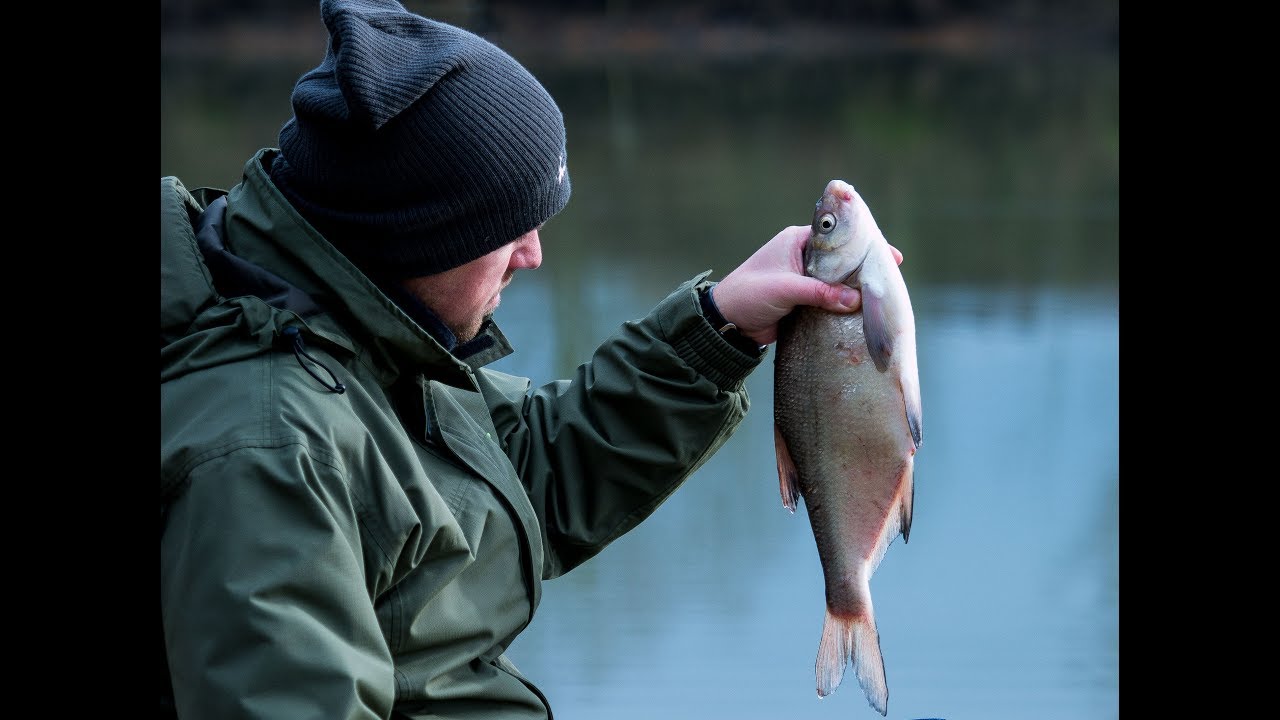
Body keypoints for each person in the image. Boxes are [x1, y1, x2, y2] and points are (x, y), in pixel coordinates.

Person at [160, 1, 901, 717]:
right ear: (418, 233)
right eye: (509, 228)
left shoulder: (350, 333)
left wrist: (719, 328)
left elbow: (515, 472)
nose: (535, 254)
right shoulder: (266, 454)